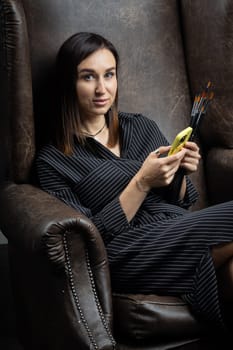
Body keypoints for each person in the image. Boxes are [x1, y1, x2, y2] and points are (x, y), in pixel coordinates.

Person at [36, 32, 233, 331]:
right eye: (88, 77)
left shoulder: (141, 126)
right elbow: (88, 242)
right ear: (68, 82)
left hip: (173, 229)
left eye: (109, 75)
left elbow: (179, 201)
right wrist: (141, 182)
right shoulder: (52, 160)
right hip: (121, 252)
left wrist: (180, 171)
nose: (102, 88)